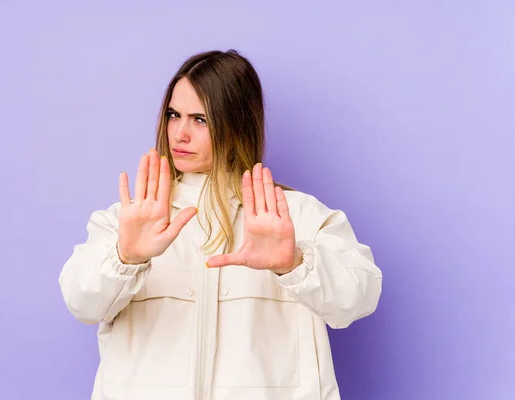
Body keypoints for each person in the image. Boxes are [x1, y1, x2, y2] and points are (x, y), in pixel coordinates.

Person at [58, 49, 383, 400]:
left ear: (236, 123)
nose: (180, 133)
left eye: (200, 119)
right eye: (173, 114)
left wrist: (295, 263)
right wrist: (126, 258)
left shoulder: (292, 215)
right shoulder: (133, 219)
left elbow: (359, 299)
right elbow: (81, 303)